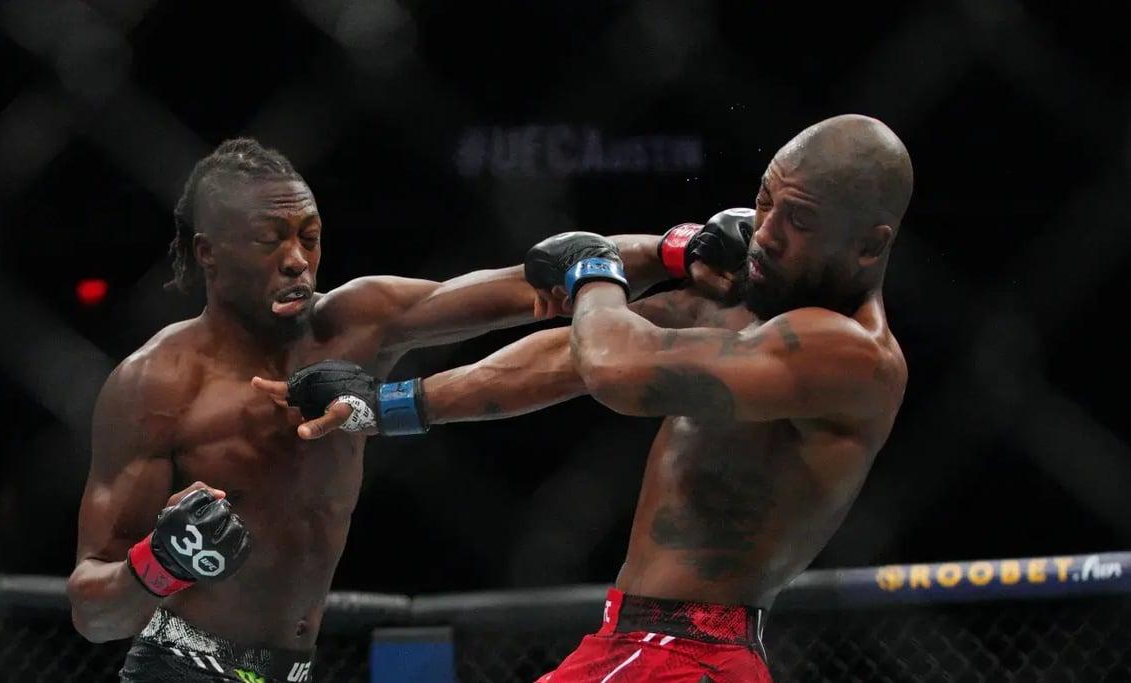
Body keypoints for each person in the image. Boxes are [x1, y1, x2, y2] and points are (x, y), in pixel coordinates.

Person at [270, 114, 913, 681]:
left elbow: (618, 367)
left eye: (798, 220)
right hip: (645, 644)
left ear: (870, 245)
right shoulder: (756, 301)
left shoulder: (853, 356)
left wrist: (594, 271)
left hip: (686, 654)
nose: (766, 234)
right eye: (764, 202)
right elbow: (571, 356)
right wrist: (389, 405)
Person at [66, 137, 683, 682]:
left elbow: (539, 277)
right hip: (183, 667)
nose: (296, 260)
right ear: (209, 252)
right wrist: (160, 561)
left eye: (309, 237)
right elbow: (93, 612)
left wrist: (679, 248)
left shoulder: (355, 322)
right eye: (269, 240)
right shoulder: (155, 386)